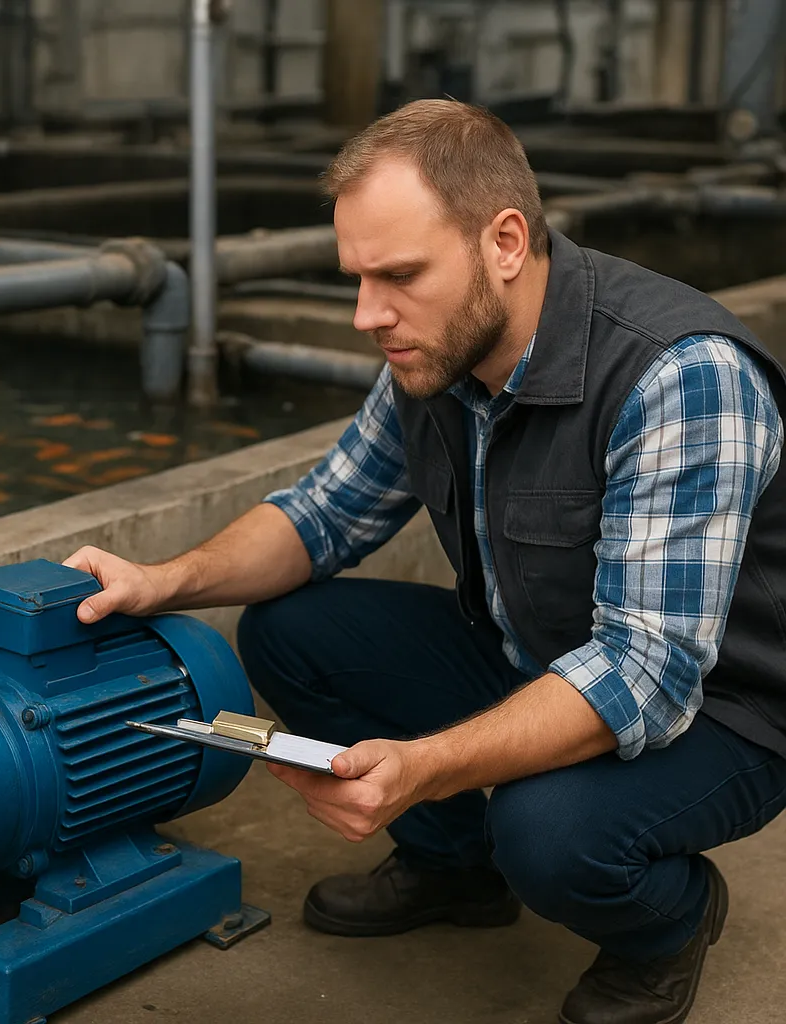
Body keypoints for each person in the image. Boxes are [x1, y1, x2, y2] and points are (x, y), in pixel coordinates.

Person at [64, 100, 786, 1024]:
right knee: (289, 631)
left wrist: (425, 765)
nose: (369, 315)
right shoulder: (436, 350)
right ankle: (455, 869)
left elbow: (645, 674)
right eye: (357, 278)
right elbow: (323, 517)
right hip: (541, 650)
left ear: (508, 241)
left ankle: (668, 925)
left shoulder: (680, 375)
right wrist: (166, 580)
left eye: (399, 275)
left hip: (723, 710)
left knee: (547, 831)